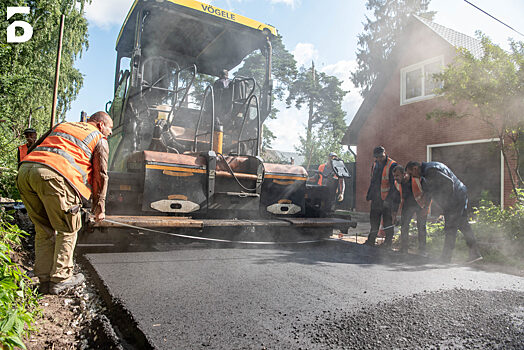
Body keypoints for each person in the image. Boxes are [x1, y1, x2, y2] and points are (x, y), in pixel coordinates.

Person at [17, 112, 113, 294]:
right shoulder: (99, 138)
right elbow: (101, 175)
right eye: (110, 128)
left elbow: (35, 148)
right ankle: (61, 278)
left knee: (43, 229)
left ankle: (43, 277)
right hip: (54, 177)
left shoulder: (62, 126)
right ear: (101, 125)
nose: (110, 133)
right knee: (68, 229)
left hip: (26, 173)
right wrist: (99, 208)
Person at [405, 161, 482, 263]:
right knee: (463, 225)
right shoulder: (426, 174)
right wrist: (425, 207)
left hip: (456, 198)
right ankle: (475, 253)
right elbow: (430, 191)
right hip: (459, 195)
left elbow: (448, 183)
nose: (412, 177)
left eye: (411, 174)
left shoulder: (431, 170)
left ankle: (446, 257)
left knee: (450, 227)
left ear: (415, 168)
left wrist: (448, 205)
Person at [364, 146, 399, 248]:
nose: (379, 159)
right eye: (377, 157)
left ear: (384, 153)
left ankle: (388, 243)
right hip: (376, 198)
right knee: (374, 220)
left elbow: (394, 185)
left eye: (381, 156)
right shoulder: (375, 164)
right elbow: (373, 180)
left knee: (387, 221)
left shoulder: (392, 165)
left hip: (387, 199)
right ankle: (371, 240)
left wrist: (388, 200)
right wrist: (369, 194)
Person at [392, 165, 430, 254]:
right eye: (394, 176)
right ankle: (404, 248)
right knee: (404, 226)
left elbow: (429, 193)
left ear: (404, 174)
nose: (395, 178)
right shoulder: (397, 183)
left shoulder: (418, 180)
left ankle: (422, 250)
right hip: (407, 206)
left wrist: (426, 207)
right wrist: (394, 214)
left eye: (397, 175)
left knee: (421, 226)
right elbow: (395, 199)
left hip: (420, 205)